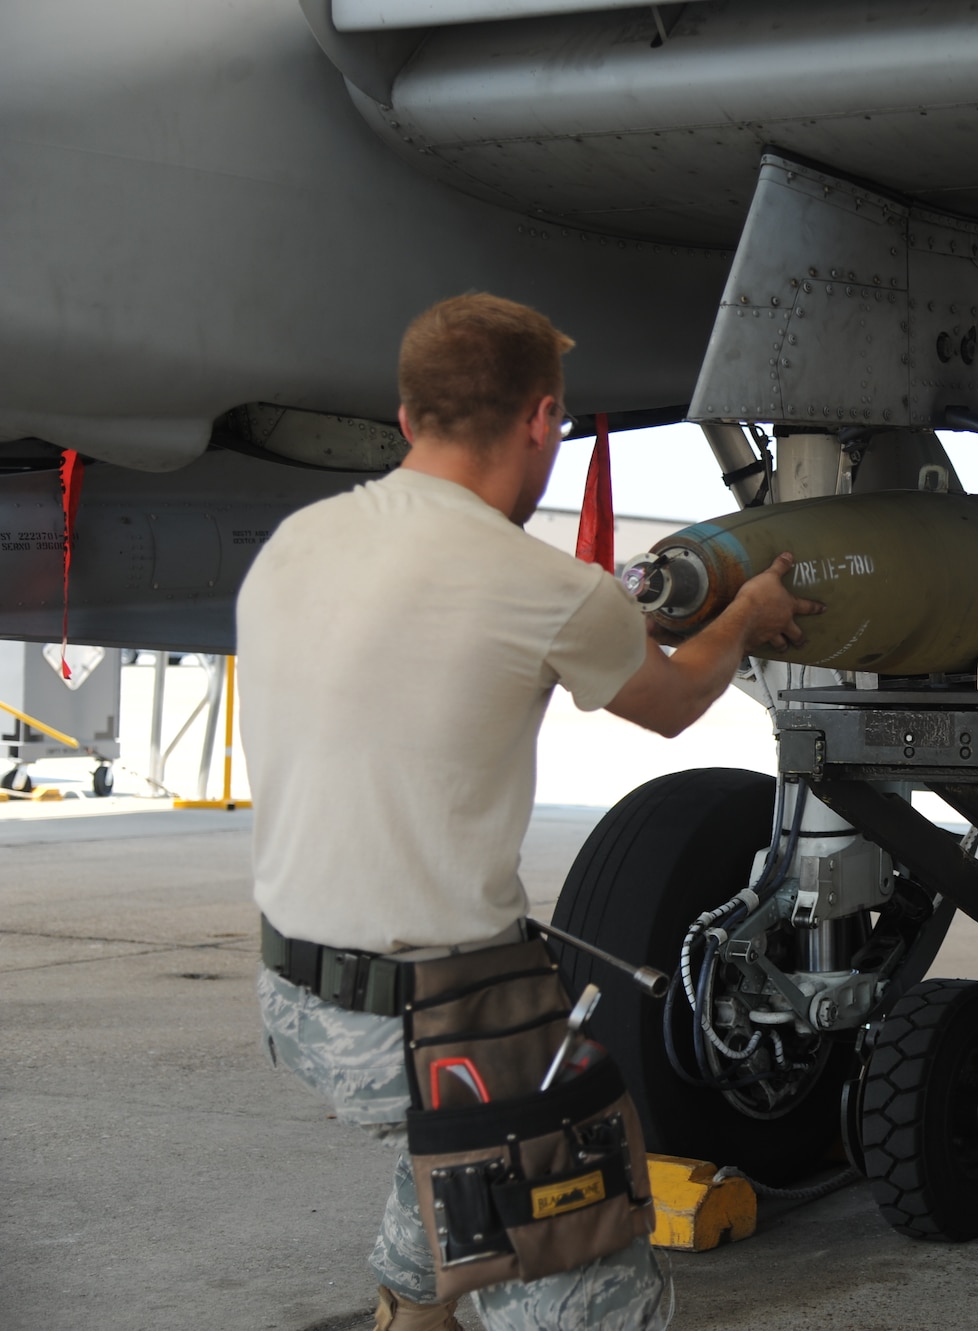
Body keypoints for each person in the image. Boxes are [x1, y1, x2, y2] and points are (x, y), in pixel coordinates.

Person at [237, 293, 822, 1331]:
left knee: (460, 1128)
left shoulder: (291, 543)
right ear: (542, 419)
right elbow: (676, 700)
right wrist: (746, 612)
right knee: (596, 1288)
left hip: (293, 998)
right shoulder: (546, 584)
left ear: (410, 419)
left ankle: (412, 1308)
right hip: (428, 1023)